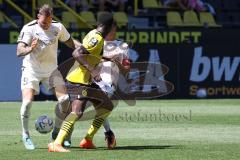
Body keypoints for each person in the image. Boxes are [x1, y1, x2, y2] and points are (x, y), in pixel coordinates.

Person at [48, 12, 115, 152]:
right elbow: (77, 53)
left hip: (87, 81)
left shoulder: (94, 34)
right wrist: (93, 70)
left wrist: (106, 58)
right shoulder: (96, 38)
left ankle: (88, 140)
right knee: (76, 112)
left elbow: (90, 53)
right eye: (114, 27)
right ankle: (56, 143)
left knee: (106, 106)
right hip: (78, 81)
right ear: (109, 27)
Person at [16, 4, 75, 150]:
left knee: (65, 100)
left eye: (48, 22)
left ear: (52, 18)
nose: (46, 25)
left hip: (51, 70)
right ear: (38, 18)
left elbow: (69, 41)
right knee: (27, 103)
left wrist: (81, 49)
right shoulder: (29, 28)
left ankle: (57, 133)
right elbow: (19, 51)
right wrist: (30, 48)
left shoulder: (58, 27)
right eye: (43, 23)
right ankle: (26, 135)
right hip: (32, 70)